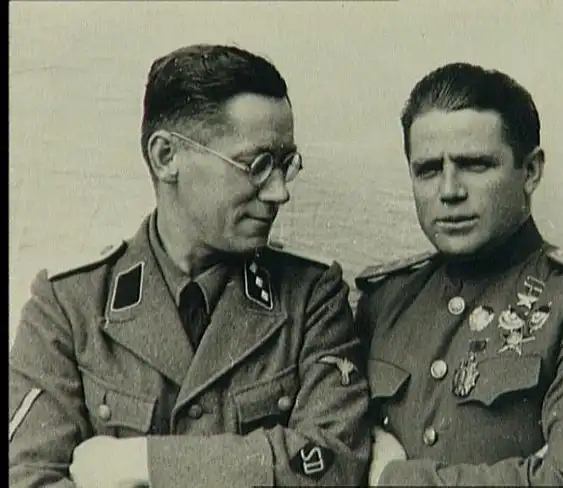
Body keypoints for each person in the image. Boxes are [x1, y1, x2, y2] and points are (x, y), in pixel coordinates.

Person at [9, 43, 370, 488]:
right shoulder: (69, 304)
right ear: (166, 157)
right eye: (256, 165)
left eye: (284, 164)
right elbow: (28, 476)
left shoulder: (312, 296)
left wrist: (143, 462)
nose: (279, 192)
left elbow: (333, 462)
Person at [354, 62, 563, 486]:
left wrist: (393, 478)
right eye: (428, 169)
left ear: (531, 171)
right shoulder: (385, 300)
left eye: (475, 165)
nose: (449, 191)